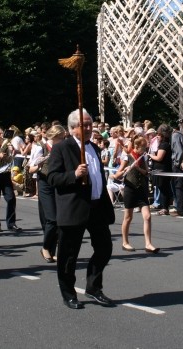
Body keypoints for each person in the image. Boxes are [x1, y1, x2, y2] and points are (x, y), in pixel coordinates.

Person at [46, 109, 115, 310]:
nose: (88, 128)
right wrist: (74, 174)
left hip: (97, 207)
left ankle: (94, 287)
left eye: (90, 124)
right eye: (83, 125)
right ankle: (68, 293)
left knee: (104, 248)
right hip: (74, 208)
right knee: (69, 255)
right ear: (72, 127)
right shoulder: (62, 148)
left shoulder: (93, 147)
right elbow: (52, 178)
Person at [116, 136, 159, 254]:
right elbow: (117, 174)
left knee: (147, 216)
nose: (145, 149)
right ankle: (125, 242)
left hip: (142, 189)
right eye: (143, 147)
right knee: (128, 217)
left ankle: (148, 244)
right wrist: (125, 171)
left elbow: (146, 172)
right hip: (130, 189)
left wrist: (138, 168)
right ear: (137, 146)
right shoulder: (127, 157)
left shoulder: (143, 157)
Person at [30, 124, 66, 263]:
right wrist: (41, 162)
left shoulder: (60, 148)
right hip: (45, 183)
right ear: (55, 137)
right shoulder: (41, 147)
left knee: (58, 220)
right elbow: (31, 169)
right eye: (61, 138)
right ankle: (45, 248)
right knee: (52, 218)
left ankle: (52, 251)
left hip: (57, 182)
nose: (63, 140)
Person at [0, 127, 22, 233]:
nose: (1, 135)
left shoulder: (7, 144)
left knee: (11, 198)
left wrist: (10, 152)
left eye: (2, 133)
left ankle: (11, 223)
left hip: (5, 174)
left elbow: (9, 159)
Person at [149, 124, 173, 216]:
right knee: (162, 188)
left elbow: (159, 158)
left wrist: (150, 155)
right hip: (160, 169)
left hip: (162, 169)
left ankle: (164, 208)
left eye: (158, 135)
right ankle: (164, 207)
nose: (157, 137)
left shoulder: (164, 145)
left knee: (164, 189)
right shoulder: (164, 144)